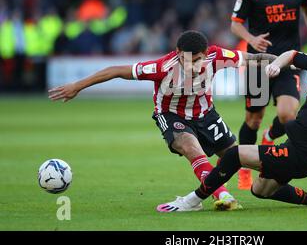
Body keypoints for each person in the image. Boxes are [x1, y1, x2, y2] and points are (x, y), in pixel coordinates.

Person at [157, 30, 307, 212]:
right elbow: (292, 54)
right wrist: (277, 64)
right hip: (293, 146)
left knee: (233, 155)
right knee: (260, 190)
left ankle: (191, 201)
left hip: (304, 154)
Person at [48, 30, 277, 211]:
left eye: (197, 60)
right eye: (187, 61)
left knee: (239, 158)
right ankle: (223, 196)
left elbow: (253, 58)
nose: (193, 67)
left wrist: (292, 61)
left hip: (206, 115)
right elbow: (115, 70)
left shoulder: (216, 56)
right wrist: (76, 86)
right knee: (191, 147)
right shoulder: (161, 67)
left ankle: (293, 186)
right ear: (177, 52)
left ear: (206, 54)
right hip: (172, 115)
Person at [231, 0, 307, 189]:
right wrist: (252, 38)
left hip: (288, 60)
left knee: (287, 113)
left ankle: (269, 138)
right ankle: (244, 169)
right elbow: (235, 24)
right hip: (257, 63)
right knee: (253, 119)